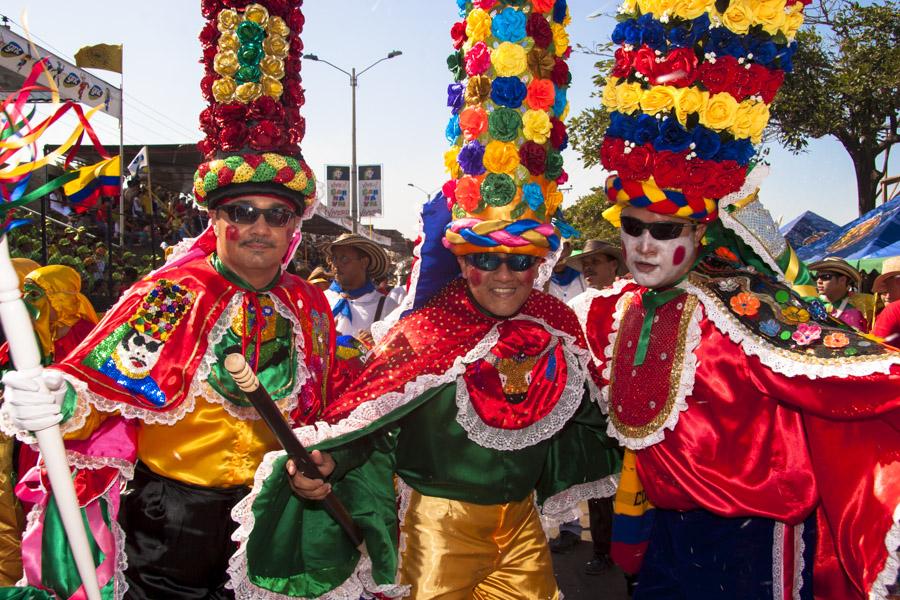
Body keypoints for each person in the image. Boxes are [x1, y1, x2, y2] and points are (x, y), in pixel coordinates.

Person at [226, 4, 621, 596]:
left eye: (520, 260)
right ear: (461, 262)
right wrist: (328, 462)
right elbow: (366, 417)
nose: (504, 275)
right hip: (439, 530)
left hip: (523, 532)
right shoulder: (428, 331)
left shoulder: (557, 320)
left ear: (540, 263)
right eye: (485, 259)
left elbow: (603, 412)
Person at [0, 1, 341, 597]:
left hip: (279, 510)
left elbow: (331, 404)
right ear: (214, 217)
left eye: (276, 215)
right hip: (175, 520)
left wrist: (326, 461)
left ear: (295, 228)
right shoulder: (174, 294)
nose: (260, 227)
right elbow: (102, 385)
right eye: (242, 212)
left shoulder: (310, 305)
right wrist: (57, 396)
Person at [586, 0, 900, 592]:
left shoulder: (741, 308)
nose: (645, 245)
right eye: (633, 227)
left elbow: (855, 375)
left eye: (666, 230)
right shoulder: (613, 309)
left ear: (700, 232)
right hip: (663, 538)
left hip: (749, 540)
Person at [323, 233, 398, 339]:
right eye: (334, 258)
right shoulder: (322, 299)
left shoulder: (387, 306)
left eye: (344, 259)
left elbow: (395, 349)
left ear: (364, 262)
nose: (336, 265)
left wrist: (376, 343)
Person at [809, 257, 868, 330]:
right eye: (816, 277)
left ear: (842, 280)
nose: (818, 281)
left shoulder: (865, 303)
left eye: (825, 277)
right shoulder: (811, 303)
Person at [872, 256, 900, 344]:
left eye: (888, 289)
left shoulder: (894, 309)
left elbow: (876, 349)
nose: (887, 296)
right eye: (883, 291)